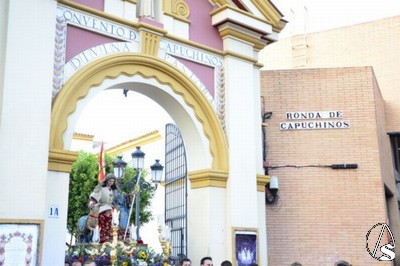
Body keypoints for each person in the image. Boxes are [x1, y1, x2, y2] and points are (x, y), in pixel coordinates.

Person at [89, 173, 120, 243]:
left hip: (110, 207)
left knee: (117, 216)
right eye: (110, 181)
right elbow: (94, 197)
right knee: (108, 215)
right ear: (106, 181)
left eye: (113, 181)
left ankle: (115, 235)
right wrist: (93, 204)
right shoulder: (102, 189)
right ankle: (104, 235)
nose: (111, 183)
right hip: (102, 207)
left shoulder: (112, 191)